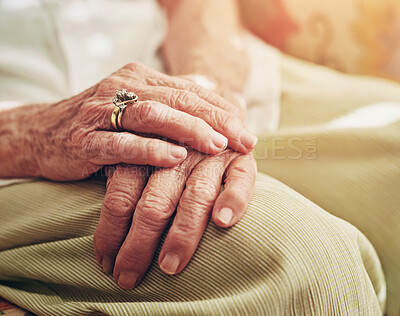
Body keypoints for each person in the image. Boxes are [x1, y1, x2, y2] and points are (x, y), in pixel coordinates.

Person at [0, 0, 399, 315]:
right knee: (302, 261)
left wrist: (207, 95)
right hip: (27, 149)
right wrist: (33, 133)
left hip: (206, 67)